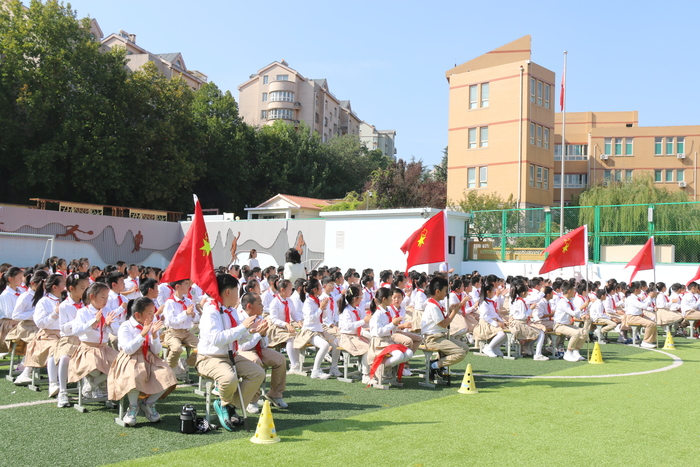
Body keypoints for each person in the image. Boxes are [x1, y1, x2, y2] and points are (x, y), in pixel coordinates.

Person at [196, 274, 266, 431]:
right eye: (237, 290)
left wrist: (252, 331)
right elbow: (217, 339)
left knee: (258, 373)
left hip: (231, 355)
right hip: (210, 357)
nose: (239, 295)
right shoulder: (211, 312)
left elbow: (238, 337)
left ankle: (229, 405)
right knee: (229, 378)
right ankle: (225, 404)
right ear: (228, 292)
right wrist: (243, 327)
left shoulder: (230, 311)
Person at [108, 297, 177, 426]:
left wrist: (155, 336)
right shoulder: (125, 326)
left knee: (167, 375)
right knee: (135, 375)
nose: (153, 316)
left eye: (153, 313)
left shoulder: (151, 324)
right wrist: (142, 335)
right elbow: (128, 349)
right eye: (150, 313)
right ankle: (133, 407)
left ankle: (149, 404)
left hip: (149, 356)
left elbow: (156, 350)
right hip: (130, 358)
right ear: (138, 315)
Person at [237, 292, 289, 412]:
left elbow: (265, 344)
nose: (263, 306)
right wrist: (258, 335)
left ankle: (275, 394)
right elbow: (242, 346)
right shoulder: (239, 319)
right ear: (249, 306)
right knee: (255, 361)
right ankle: (252, 400)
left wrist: (263, 335)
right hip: (242, 351)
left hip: (257, 348)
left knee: (280, 359)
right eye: (260, 303)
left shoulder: (259, 318)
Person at [68, 282, 119, 398]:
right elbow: (76, 331)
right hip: (88, 349)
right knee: (95, 368)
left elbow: (116, 332)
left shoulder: (108, 311)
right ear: (92, 296)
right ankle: (96, 386)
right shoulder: (83, 312)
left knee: (121, 364)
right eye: (102, 297)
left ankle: (94, 384)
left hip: (104, 348)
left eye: (107, 297)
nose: (105, 300)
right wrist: (93, 322)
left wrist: (109, 325)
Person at [21, 273, 66, 393]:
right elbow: (40, 323)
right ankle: (53, 383)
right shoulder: (44, 301)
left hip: (65, 334)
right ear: (55, 287)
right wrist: (55, 314)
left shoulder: (67, 300)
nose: (67, 287)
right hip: (47, 335)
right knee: (54, 350)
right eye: (64, 284)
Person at [421, 276, 470, 378]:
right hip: (433, 338)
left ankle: (439, 364)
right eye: (445, 290)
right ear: (438, 291)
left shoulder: (437, 303)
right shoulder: (432, 306)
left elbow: (443, 320)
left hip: (441, 335)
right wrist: (454, 312)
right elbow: (443, 324)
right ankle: (434, 365)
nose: (446, 293)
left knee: (465, 348)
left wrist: (452, 309)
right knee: (460, 353)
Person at [7, 270, 48, 383]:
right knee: (38, 342)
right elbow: (16, 315)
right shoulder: (25, 296)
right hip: (27, 327)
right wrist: (34, 314)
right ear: (33, 283)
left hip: (41, 326)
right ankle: (25, 371)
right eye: (43, 285)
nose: (45, 288)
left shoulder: (45, 296)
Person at [55, 272, 89, 407]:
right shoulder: (64, 306)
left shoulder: (88, 304)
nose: (86, 291)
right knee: (64, 358)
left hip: (86, 339)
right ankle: (62, 390)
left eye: (87, 287)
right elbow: (63, 328)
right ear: (71, 288)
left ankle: (92, 387)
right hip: (69, 339)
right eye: (82, 287)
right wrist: (78, 321)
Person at [293, 278, 337, 379]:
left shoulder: (317, 300)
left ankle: (334, 367)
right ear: (314, 289)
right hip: (309, 331)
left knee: (336, 342)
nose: (322, 288)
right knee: (324, 345)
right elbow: (309, 320)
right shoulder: (308, 302)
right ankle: (315, 370)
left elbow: (324, 316)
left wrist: (324, 307)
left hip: (319, 329)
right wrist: (320, 308)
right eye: (320, 286)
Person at [368, 287, 413, 381]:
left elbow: (391, 330)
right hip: (379, 343)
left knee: (409, 353)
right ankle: (381, 368)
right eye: (390, 296)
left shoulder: (387, 311)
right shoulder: (378, 314)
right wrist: (393, 324)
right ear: (384, 299)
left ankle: (385, 368)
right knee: (399, 355)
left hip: (388, 340)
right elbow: (379, 332)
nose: (392, 299)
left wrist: (395, 324)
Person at [266, 279, 303, 375]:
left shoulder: (289, 301)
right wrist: (286, 324)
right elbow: (274, 319)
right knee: (290, 338)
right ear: (282, 290)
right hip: (276, 327)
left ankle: (298, 362)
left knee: (298, 336)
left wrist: (299, 321)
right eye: (290, 288)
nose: (292, 290)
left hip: (287, 326)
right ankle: (294, 364)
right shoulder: (275, 302)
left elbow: (294, 314)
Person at [162, 279, 199, 374]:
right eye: (186, 284)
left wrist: (193, 315)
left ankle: (186, 363)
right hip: (173, 332)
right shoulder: (170, 302)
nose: (188, 286)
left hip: (186, 332)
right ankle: (168, 370)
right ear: (177, 287)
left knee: (202, 347)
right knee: (177, 349)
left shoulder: (188, 301)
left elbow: (196, 318)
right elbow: (172, 322)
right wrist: (185, 313)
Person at [338, 285, 372, 383]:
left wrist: (369, 320)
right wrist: (363, 321)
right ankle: (366, 375)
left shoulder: (355, 309)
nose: (362, 298)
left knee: (372, 345)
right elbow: (347, 326)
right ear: (356, 298)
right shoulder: (346, 311)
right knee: (367, 349)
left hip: (356, 336)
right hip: (347, 338)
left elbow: (362, 322)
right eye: (361, 296)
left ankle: (369, 371)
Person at [508, 281, 549, 361]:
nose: (528, 293)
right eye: (527, 291)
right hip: (520, 324)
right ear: (523, 293)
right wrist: (531, 309)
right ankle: (538, 354)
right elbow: (523, 316)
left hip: (521, 323)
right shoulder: (520, 302)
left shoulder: (519, 300)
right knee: (540, 333)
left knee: (539, 332)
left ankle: (531, 349)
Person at [553, 281, 588, 362]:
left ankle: (576, 351)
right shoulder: (562, 302)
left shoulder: (569, 301)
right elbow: (572, 312)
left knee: (584, 332)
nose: (574, 292)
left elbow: (575, 312)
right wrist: (583, 306)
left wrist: (582, 316)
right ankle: (568, 353)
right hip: (559, 325)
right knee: (576, 333)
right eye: (573, 290)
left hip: (566, 325)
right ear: (569, 291)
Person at [474, 282, 507, 358]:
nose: (494, 292)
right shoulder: (484, 303)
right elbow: (484, 316)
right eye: (493, 290)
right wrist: (496, 323)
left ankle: (496, 346)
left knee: (507, 333)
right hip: (486, 324)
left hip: (492, 322)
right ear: (488, 292)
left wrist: (500, 321)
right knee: (501, 334)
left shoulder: (490, 301)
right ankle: (488, 348)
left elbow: (495, 313)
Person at [625, 281, 657, 348]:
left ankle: (650, 340)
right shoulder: (631, 298)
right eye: (639, 288)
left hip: (638, 316)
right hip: (632, 317)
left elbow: (644, 303)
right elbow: (643, 306)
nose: (641, 289)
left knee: (653, 322)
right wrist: (650, 297)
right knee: (650, 324)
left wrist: (650, 299)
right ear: (636, 289)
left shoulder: (636, 297)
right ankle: (645, 342)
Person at [0, 266, 24, 353]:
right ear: (11, 279)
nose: (22, 280)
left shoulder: (21, 291)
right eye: (19, 278)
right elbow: (9, 313)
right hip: (9, 324)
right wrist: (24, 316)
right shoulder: (5, 295)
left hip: (19, 321)